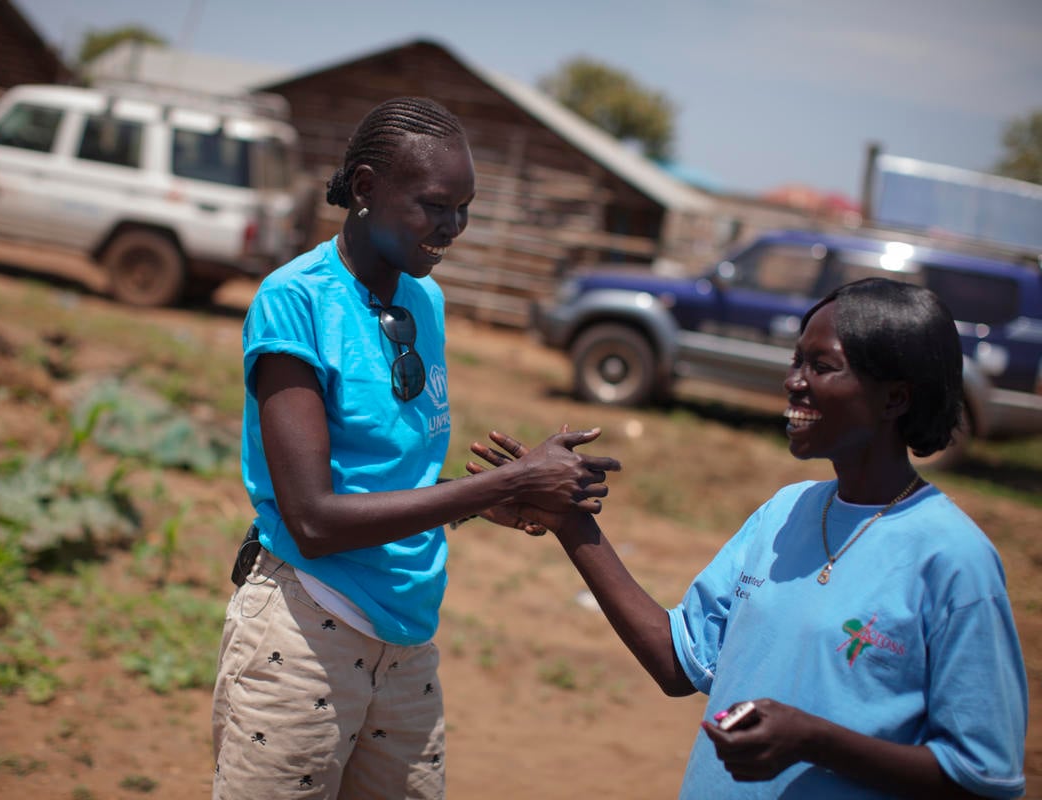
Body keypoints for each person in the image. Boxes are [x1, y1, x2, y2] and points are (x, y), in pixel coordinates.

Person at [469, 278, 1027, 799]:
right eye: (795, 362)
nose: (793, 382)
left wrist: (815, 740)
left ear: (894, 398)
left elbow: (983, 775)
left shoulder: (954, 559)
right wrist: (570, 521)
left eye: (821, 366)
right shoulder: (785, 513)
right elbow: (676, 663)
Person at [210, 96, 620, 800]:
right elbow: (314, 519)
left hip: (407, 639)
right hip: (308, 630)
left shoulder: (423, 302)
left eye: (465, 207)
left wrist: (506, 498)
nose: (453, 227)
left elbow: (394, 481)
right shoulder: (297, 301)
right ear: (366, 189)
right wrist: (496, 485)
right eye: (435, 205)